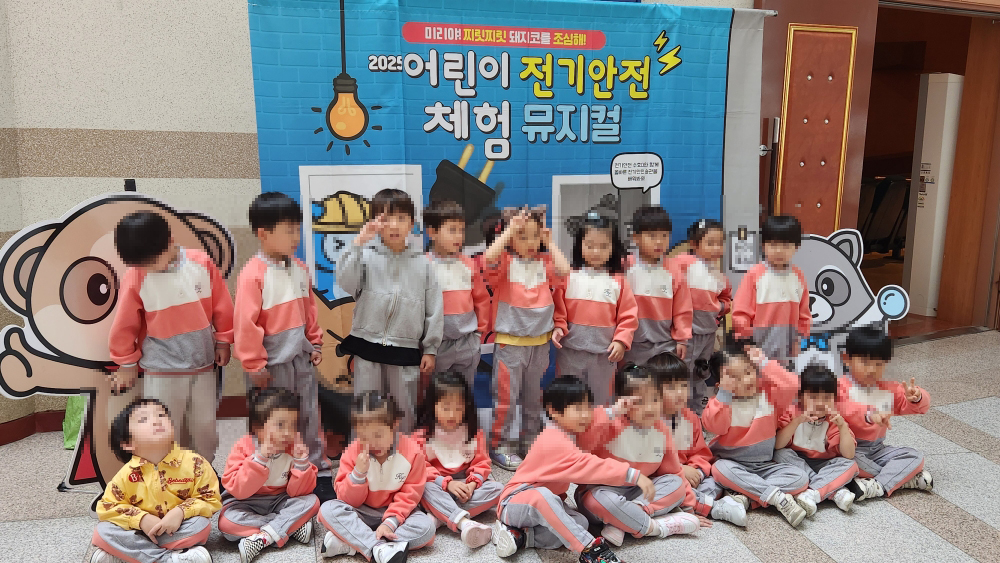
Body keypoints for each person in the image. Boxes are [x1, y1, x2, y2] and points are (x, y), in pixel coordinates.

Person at [108, 211, 234, 464]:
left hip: (203, 365)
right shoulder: (136, 275)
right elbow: (124, 324)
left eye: (153, 262)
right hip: (161, 370)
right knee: (164, 429)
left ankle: (204, 473)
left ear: (170, 241)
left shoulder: (201, 264)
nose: (150, 269)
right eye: (142, 265)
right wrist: (126, 363)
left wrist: (223, 340)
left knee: (205, 428)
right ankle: (167, 476)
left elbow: (222, 305)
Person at [234, 192, 331, 499]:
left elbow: (309, 310)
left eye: (297, 229)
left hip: (300, 361)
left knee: (309, 415)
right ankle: (273, 475)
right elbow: (245, 324)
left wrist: (315, 343)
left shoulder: (299, 268)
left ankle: (316, 470)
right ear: (263, 233)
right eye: (288, 230)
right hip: (271, 367)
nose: (295, 237)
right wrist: (254, 364)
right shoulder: (253, 274)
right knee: (273, 421)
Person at [492, 376, 649, 563]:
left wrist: (615, 410)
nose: (585, 415)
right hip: (514, 503)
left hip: (547, 504)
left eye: (587, 408)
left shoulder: (568, 432)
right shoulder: (553, 439)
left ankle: (520, 536)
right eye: (578, 409)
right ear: (554, 411)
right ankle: (590, 550)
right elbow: (589, 465)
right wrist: (631, 474)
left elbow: (594, 421)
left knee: (579, 522)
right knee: (543, 497)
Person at [337, 189, 444, 433]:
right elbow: (345, 281)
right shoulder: (365, 256)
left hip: (404, 349)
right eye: (386, 219)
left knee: (403, 409)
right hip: (367, 345)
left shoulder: (423, 264)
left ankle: (404, 452)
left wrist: (430, 348)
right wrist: (358, 243)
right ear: (375, 222)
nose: (394, 225)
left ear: (412, 224)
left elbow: (434, 308)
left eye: (401, 218)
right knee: (366, 409)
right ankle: (362, 453)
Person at [574, 364, 705, 547]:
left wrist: (689, 508)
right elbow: (582, 443)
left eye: (655, 399)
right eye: (640, 402)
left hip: (638, 492)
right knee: (596, 500)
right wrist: (612, 413)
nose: (650, 407)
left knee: (675, 485)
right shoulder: (608, 421)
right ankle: (656, 527)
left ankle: (624, 520)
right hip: (602, 490)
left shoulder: (661, 429)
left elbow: (674, 472)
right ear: (622, 401)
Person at [481, 206, 570, 470]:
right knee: (506, 400)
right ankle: (501, 446)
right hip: (510, 345)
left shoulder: (545, 263)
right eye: (522, 236)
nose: (530, 242)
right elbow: (488, 259)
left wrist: (549, 242)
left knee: (533, 399)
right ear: (511, 238)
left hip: (540, 345)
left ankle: (530, 441)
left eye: (534, 236)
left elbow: (564, 271)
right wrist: (510, 231)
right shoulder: (505, 263)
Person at [90, 398, 220, 563]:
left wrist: (181, 512)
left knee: (201, 525)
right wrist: (141, 519)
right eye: (143, 419)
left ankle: (127, 555)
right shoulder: (125, 475)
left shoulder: (195, 463)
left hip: (177, 528)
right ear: (128, 443)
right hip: (140, 532)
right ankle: (169, 559)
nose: (157, 420)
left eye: (161, 415)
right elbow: (107, 507)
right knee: (102, 532)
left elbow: (210, 499)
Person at [702, 340, 810, 527]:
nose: (746, 380)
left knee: (801, 478)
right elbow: (714, 426)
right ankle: (776, 497)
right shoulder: (722, 404)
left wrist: (764, 363)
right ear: (721, 385)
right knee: (719, 469)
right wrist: (724, 395)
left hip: (764, 466)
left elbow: (792, 386)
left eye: (748, 372)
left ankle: (745, 493)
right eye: (735, 377)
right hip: (733, 464)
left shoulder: (768, 395)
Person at [318, 392, 435, 563]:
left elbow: (410, 495)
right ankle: (379, 546)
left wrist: (390, 522)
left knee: (427, 528)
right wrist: (358, 474)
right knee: (327, 509)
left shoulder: (412, 452)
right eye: (364, 437)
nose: (373, 443)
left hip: (397, 514)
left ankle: (354, 543)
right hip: (362, 512)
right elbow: (347, 500)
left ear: (394, 425)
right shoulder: (352, 453)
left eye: (378, 435)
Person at [219, 388, 320, 562]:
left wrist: (301, 463)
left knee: (312, 502)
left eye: (293, 425)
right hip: (245, 502)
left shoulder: (293, 447)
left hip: (279, 500)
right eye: (280, 425)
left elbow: (300, 493)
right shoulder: (243, 447)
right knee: (226, 524)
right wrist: (260, 459)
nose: (287, 432)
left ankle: (264, 537)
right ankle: (289, 527)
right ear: (258, 428)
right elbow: (238, 491)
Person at [649, 352, 747, 526]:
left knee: (715, 479)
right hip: (663, 478)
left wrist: (696, 472)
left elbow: (700, 452)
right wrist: (680, 470)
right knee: (668, 487)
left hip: (688, 478)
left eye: (683, 385)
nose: (680, 392)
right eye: (671, 387)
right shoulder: (647, 421)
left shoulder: (691, 418)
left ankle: (678, 505)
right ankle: (710, 507)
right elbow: (648, 464)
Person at [837, 326, 933, 501]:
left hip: (877, 449)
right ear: (847, 359)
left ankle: (879, 485)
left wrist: (917, 397)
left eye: (879, 364)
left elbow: (919, 407)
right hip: (847, 449)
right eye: (865, 363)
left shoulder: (888, 388)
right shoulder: (839, 387)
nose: (872, 370)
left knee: (915, 456)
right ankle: (902, 479)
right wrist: (870, 415)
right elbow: (847, 409)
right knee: (846, 464)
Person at [552, 211, 638, 406]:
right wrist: (558, 327)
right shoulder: (569, 277)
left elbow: (628, 317)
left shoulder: (619, 281)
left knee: (602, 401)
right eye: (590, 245)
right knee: (568, 399)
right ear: (579, 245)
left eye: (603, 246)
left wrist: (621, 341)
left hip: (604, 355)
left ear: (613, 248)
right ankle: (567, 426)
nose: (596, 251)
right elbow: (559, 310)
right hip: (570, 352)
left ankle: (601, 426)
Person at [414, 371, 501, 548]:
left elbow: (482, 463)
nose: (452, 414)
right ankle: (463, 523)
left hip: (464, 487)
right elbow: (421, 467)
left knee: (498, 489)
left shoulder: (474, 433)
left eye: (459, 408)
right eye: (446, 408)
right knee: (424, 488)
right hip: (438, 486)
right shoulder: (422, 435)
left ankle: (440, 516)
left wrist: (472, 484)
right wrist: (447, 484)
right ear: (432, 406)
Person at [773, 364, 859, 516]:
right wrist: (795, 422)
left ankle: (813, 492)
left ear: (834, 399)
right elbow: (778, 445)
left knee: (851, 465)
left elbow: (849, 454)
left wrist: (843, 427)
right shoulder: (792, 412)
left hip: (823, 464)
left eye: (826, 398)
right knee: (779, 454)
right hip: (796, 462)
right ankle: (833, 492)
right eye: (813, 397)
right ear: (800, 397)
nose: (820, 403)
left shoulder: (834, 420)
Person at [423, 200, 490, 387]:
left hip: (467, 342)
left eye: (461, 230)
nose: (459, 236)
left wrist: (478, 334)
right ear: (432, 232)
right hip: (437, 346)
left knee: (465, 391)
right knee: (437, 393)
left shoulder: (468, 264)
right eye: (452, 230)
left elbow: (482, 299)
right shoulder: (423, 266)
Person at [732, 215, 810, 366]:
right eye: (773, 245)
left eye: (786, 245)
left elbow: (804, 314)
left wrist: (800, 339)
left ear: (796, 247)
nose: (779, 251)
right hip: (757, 349)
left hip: (788, 350)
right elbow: (741, 312)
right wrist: (746, 341)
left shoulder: (799, 276)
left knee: (783, 378)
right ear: (763, 245)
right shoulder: (754, 275)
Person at [673, 219, 731, 413]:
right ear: (694, 244)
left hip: (708, 333)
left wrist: (720, 307)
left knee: (700, 373)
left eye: (720, 243)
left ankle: (698, 415)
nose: (716, 248)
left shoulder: (719, 274)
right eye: (710, 243)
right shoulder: (683, 262)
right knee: (682, 374)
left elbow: (726, 298)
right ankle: (680, 414)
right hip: (688, 333)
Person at [624, 205, 693, 365]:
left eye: (664, 235)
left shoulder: (674, 269)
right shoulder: (624, 266)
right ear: (636, 238)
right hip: (630, 345)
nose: (659, 242)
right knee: (633, 381)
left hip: (665, 344)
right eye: (652, 236)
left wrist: (682, 338)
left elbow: (682, 308)